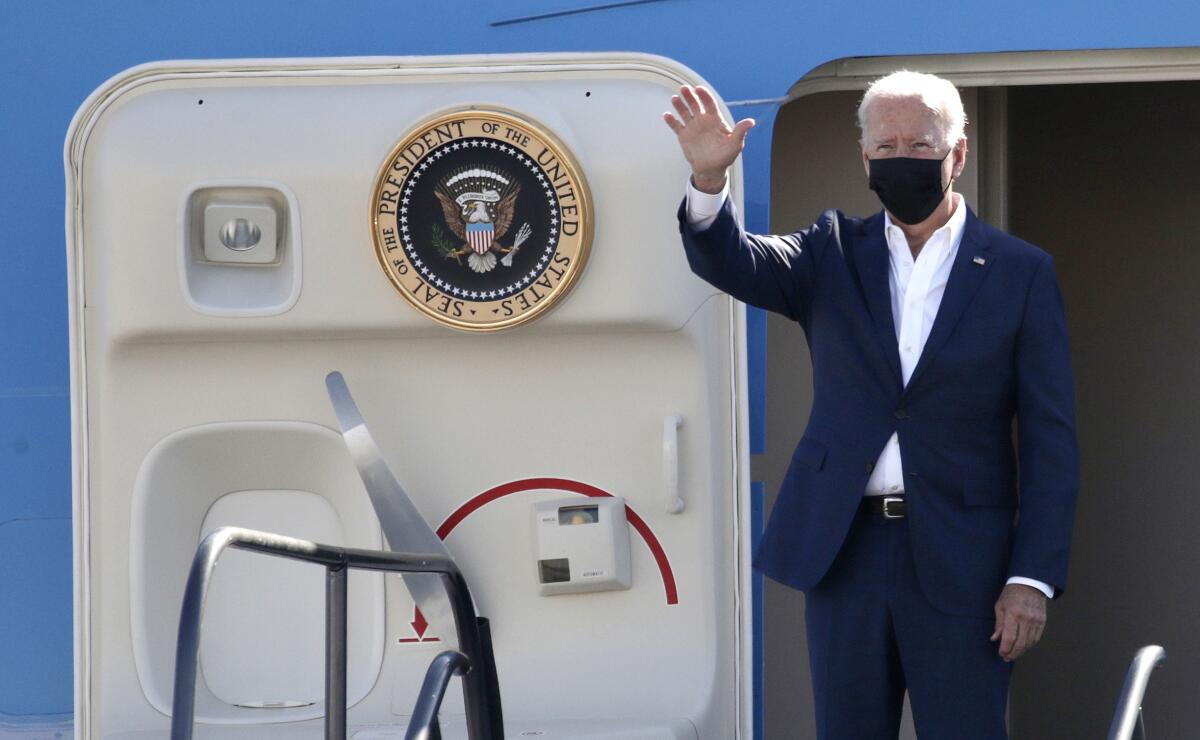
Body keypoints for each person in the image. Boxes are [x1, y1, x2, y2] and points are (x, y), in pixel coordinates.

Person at [663, 71, 1079, 739]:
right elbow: (732, 262)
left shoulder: (1019, 272)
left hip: (964, 558)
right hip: (845, 550)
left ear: (959, 154)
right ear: (864, 158)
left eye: (920, 144)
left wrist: (1030, 577)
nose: (901, 157)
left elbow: (1051, 443)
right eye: (885, 146)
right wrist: (710, 182)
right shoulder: (829, 252)